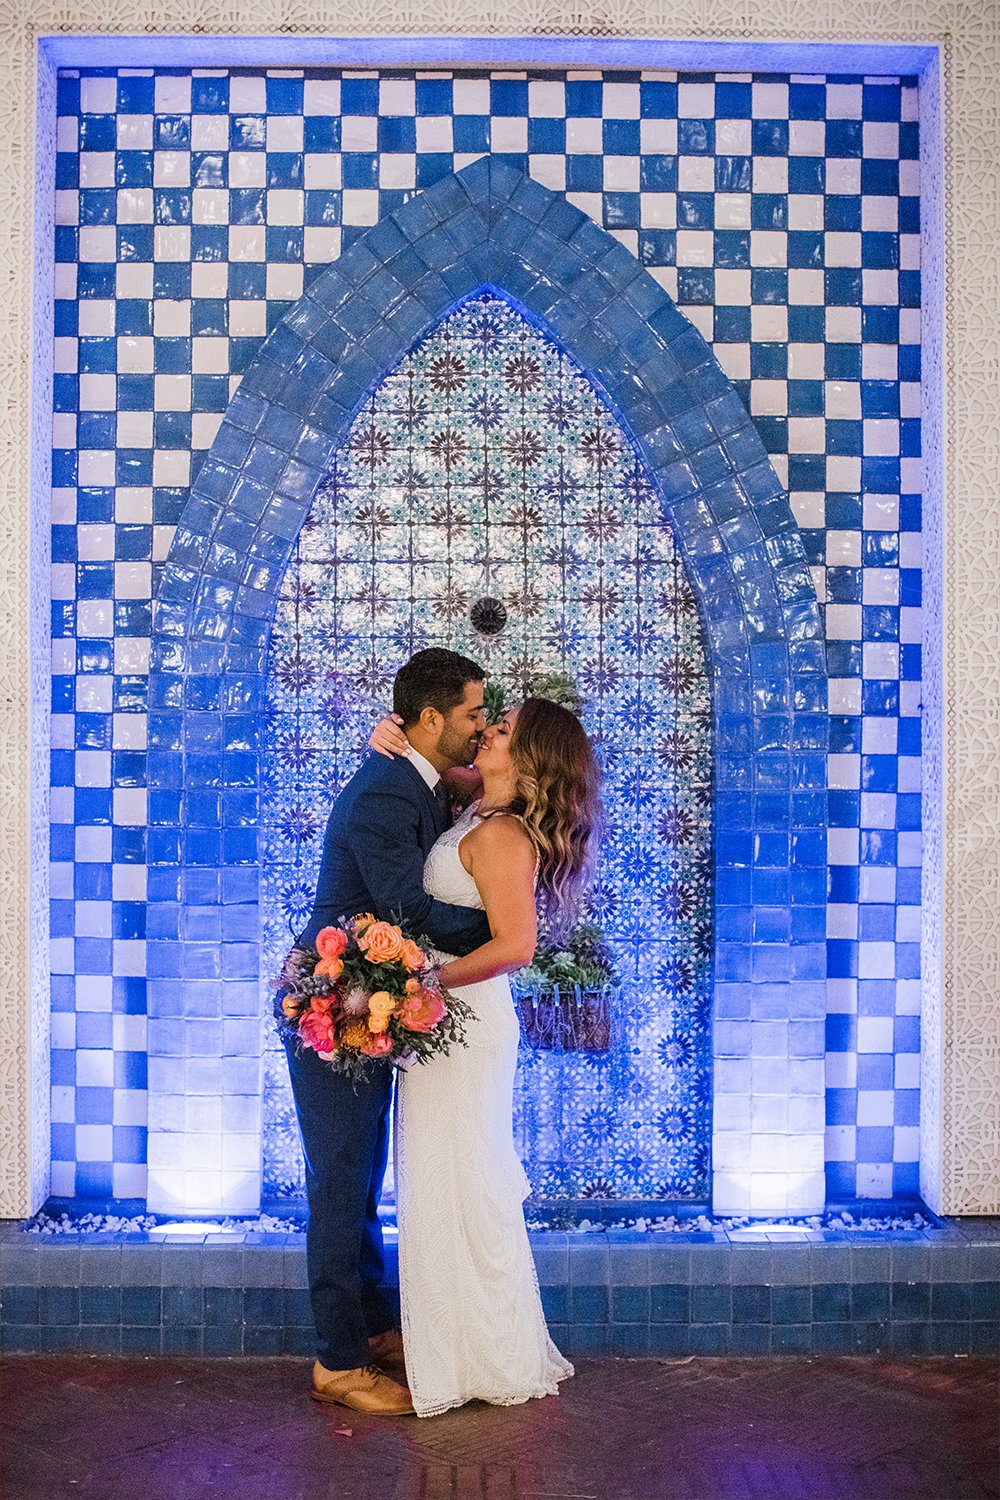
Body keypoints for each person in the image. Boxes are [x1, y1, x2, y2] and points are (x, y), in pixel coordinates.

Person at [369, 694, 600, 1417]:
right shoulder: (478, 807)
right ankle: (458, 1349)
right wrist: (388, 737)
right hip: (442, 1023)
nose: (487, 732)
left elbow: (516, 946)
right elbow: (427, 767)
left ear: (527, 761)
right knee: (443, 1186)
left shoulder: (502, 835)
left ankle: (480, 1359)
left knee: (464, 1186)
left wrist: (423, 981)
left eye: (501, 732)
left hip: (461, 1023)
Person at [284, 648, 493, 1416]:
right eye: (473, 712)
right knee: (339, 1183)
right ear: (431, 718)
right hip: (332, 1007)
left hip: (367, 1001)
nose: (481, 725)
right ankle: (338, 1363)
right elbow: (405, 905)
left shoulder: (415, 779)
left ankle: (371, 1328)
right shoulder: (386, 789)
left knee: (360, 1173)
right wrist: (505, 930)